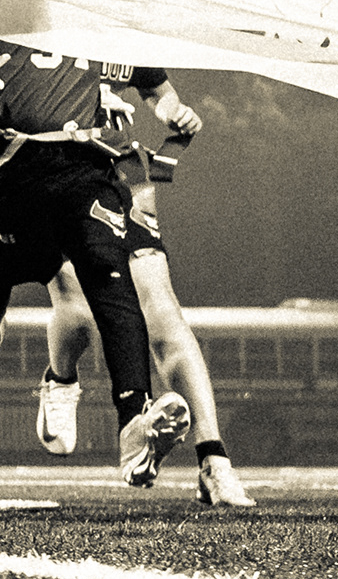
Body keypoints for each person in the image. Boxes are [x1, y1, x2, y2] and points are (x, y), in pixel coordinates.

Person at [0, 43, 196, 487]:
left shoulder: (107, 21)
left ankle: (134, 419)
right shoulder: (3, 12)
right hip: (8, 167)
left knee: (111, 282)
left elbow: (160, 90)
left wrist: (173, 112)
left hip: (86, 168)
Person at [41, 124, 257, 508]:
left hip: (117, 160)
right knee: (80, 305)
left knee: (163, 311)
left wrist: (176, 112)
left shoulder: (121, 65)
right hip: (45, 161)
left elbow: (161, 90)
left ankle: (213, 459)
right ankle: (61, 380)